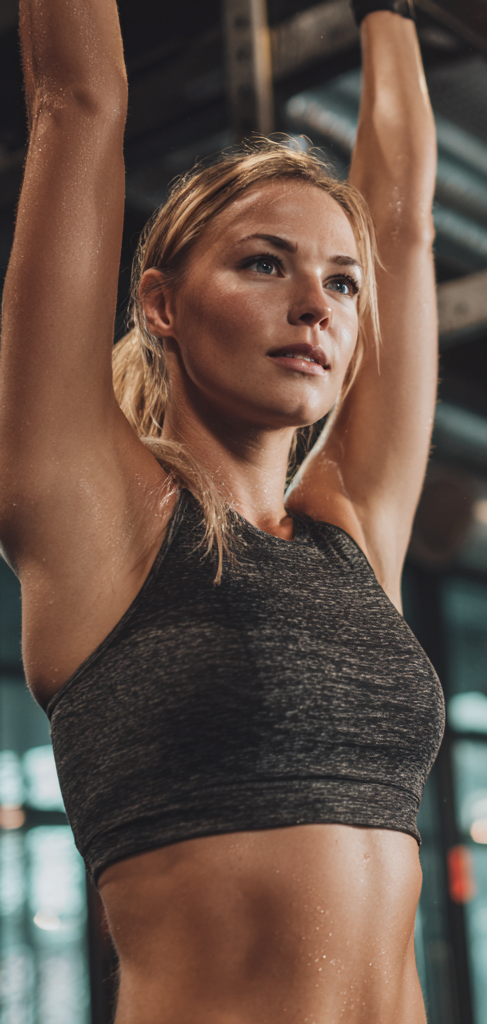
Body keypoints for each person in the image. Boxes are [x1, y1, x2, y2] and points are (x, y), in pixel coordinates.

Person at [0, 0, 441, 1020]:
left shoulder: (353, 530)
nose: (317, 304)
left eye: (340, 281)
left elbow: (406, 228)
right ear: (160, 303)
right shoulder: (97, 520)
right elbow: (78, 101)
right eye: (262, 262)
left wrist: (390, 13)